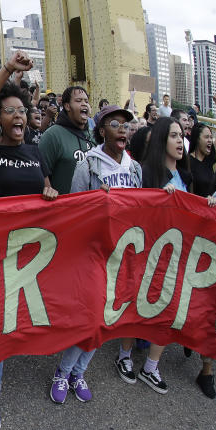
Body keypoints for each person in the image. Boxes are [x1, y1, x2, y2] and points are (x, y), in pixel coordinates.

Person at [0, 51, 58, 430]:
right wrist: (6, 69)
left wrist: (50, 194)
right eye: (8, 111)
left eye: (21, 110)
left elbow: (46, 189)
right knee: (2, 326)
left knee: (10, 321)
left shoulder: (36, 152)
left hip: (29, 252)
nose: (18, 116)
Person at [54, 105, 141, 405]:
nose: (122, 129)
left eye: (126, 125)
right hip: (92, 256)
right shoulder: (89, 166)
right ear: (101, 131)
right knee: (90, 318)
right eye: (114, 124)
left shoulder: (134, 168)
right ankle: (62, 373)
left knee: (107, 320)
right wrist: (96, 203)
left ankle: (79, 372)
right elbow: (75, 211)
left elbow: (141, 211)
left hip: (122, 255)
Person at [117, 118, 193, 395]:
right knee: (136, 304)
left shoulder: (187, 177)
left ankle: (151, 366)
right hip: (149, 250)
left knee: (167, 310)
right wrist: (159, 198)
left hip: (176, 254)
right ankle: (124, 355)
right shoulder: (147, 172)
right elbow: (137, 210)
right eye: (173, 135)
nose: (179, 141)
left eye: (182, 135)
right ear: (162, 139)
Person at [38, 85, 95, 195]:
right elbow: (40, 174)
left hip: (92, 208)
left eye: (86, 101)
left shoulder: (94, 135)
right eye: (78, 101)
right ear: (67, 106)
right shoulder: (52, 135)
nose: (84, 104)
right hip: (64, 208)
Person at [188, 95, 216, 196]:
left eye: (211, 137)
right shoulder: (187, 161)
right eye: (206, 137)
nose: (210, 140)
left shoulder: (209, 157)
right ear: (197, 139)